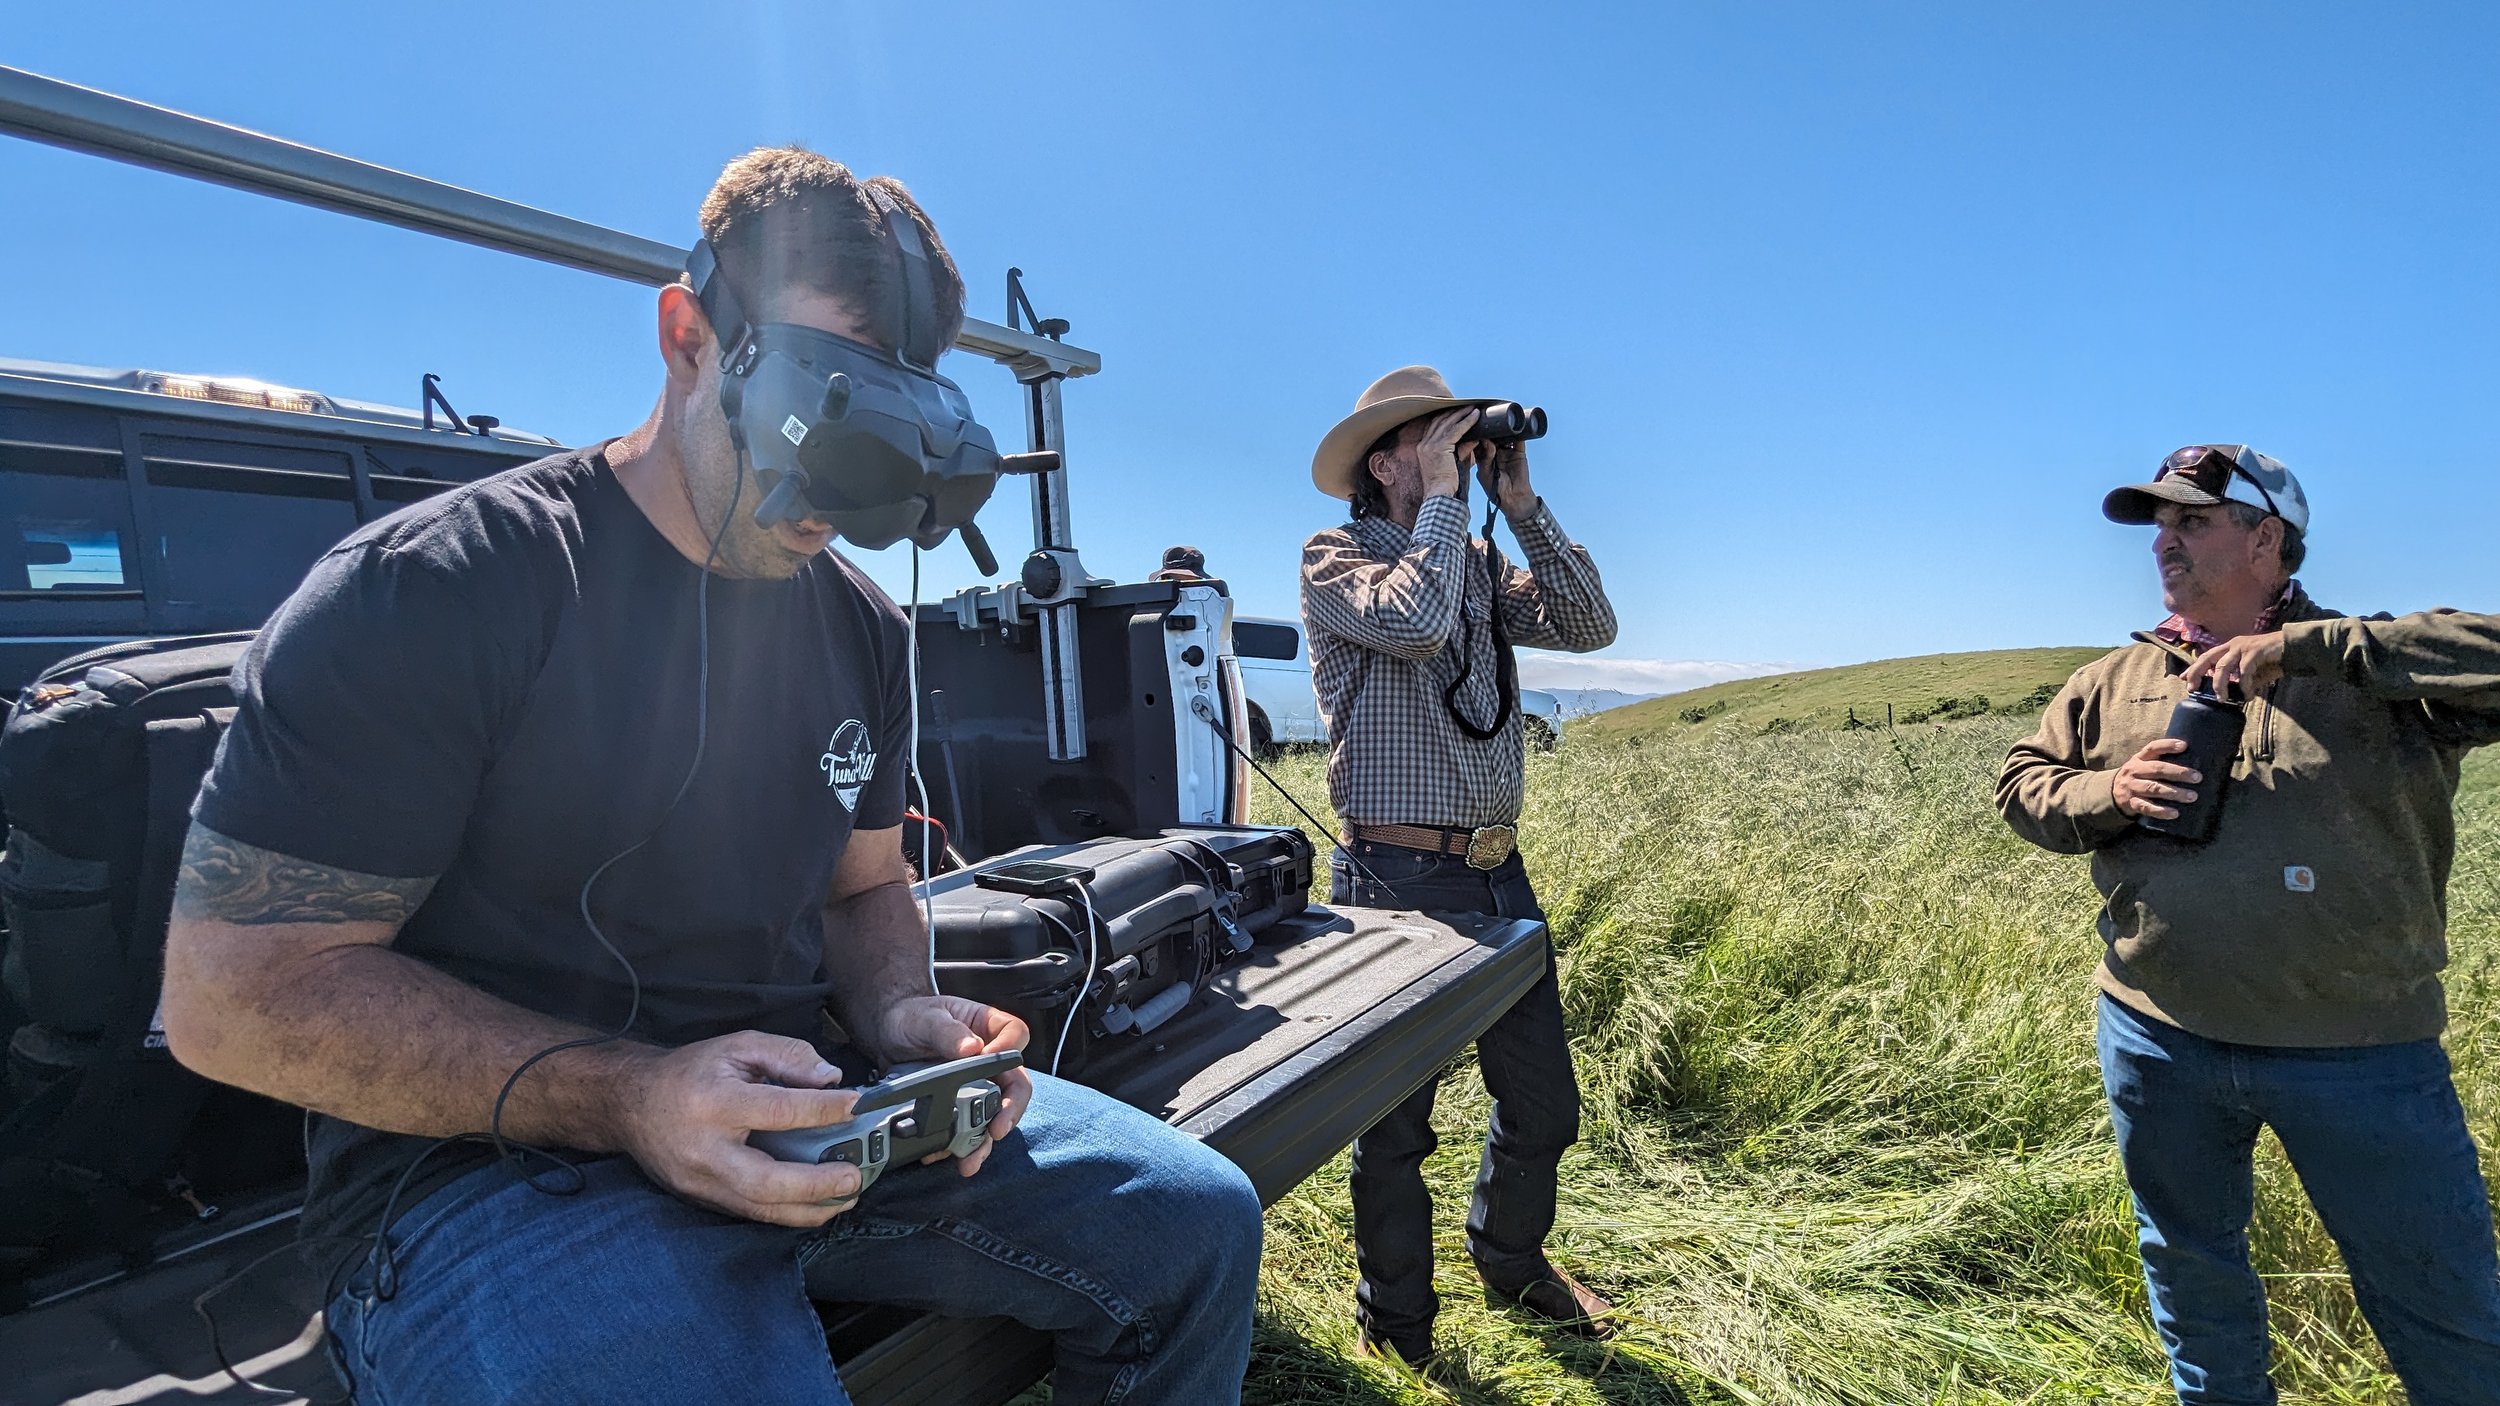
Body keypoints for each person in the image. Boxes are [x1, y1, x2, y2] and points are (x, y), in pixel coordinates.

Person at [156, 148, 1260, 1405]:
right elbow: (234, 995)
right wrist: (632, 1095)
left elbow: (862, 886)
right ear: (689, 336)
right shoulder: (440, 586)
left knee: (1193, 1225)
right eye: (820, 431)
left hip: (803, 1113)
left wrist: (902, 1012)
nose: (824, 517)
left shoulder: (856, 624)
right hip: (489, 1175)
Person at [1997, 444, 2500, 1405]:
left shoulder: (2376, 664)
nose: (2164, 543)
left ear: (2267, 537)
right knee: (2193, 1272)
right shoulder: (2117, 677)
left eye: (2191, 521)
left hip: (2360, 1056)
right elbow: (2023, 784)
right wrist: (2109, 791)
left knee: (2440, 1308)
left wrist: (2305, 652)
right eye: (2160, 526)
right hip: (2157, 1038)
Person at [1298, 365, 1619, 1369]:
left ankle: (1508, 1253)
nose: (1457, 454)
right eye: (1430, 439)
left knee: (1542, 1102)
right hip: (1395, 876)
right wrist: (1443, 500)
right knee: (1393, 1124)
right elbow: (1413, 621)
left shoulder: (1476, 560)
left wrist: (1521, 506)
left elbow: (1590, 626)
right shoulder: (1334, 557)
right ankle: (1394, 1319)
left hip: (1493, 869)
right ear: (1384, 459)